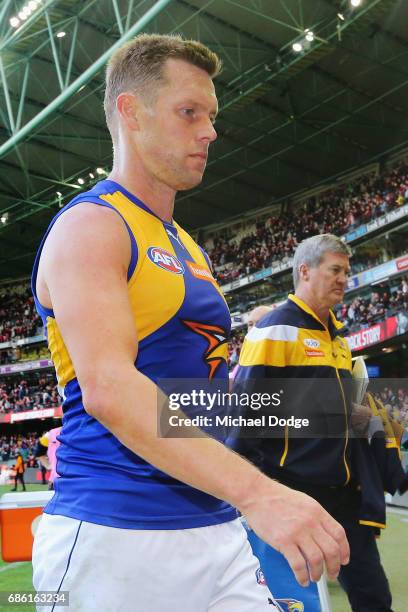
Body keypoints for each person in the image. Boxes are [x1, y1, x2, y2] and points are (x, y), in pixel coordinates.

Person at [31, 35, 349, 611]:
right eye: (189, 112)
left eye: (211, 116)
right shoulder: (91, 227)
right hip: (116, 534)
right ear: (130, 112)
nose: (210, 131)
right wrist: (261, 493)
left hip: (215, 526)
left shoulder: (185, 247)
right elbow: (108, 387)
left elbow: (199, 389)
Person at [234, 234, 393, 612]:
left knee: (373, 596)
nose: (344, 279)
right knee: (292, 599)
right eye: (335, 270)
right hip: (292, 491)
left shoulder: (338, 338)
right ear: (305, 271)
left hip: (343, 493)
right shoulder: (273, 329)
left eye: (347, 272)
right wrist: (250, 493)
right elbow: (245, 414)